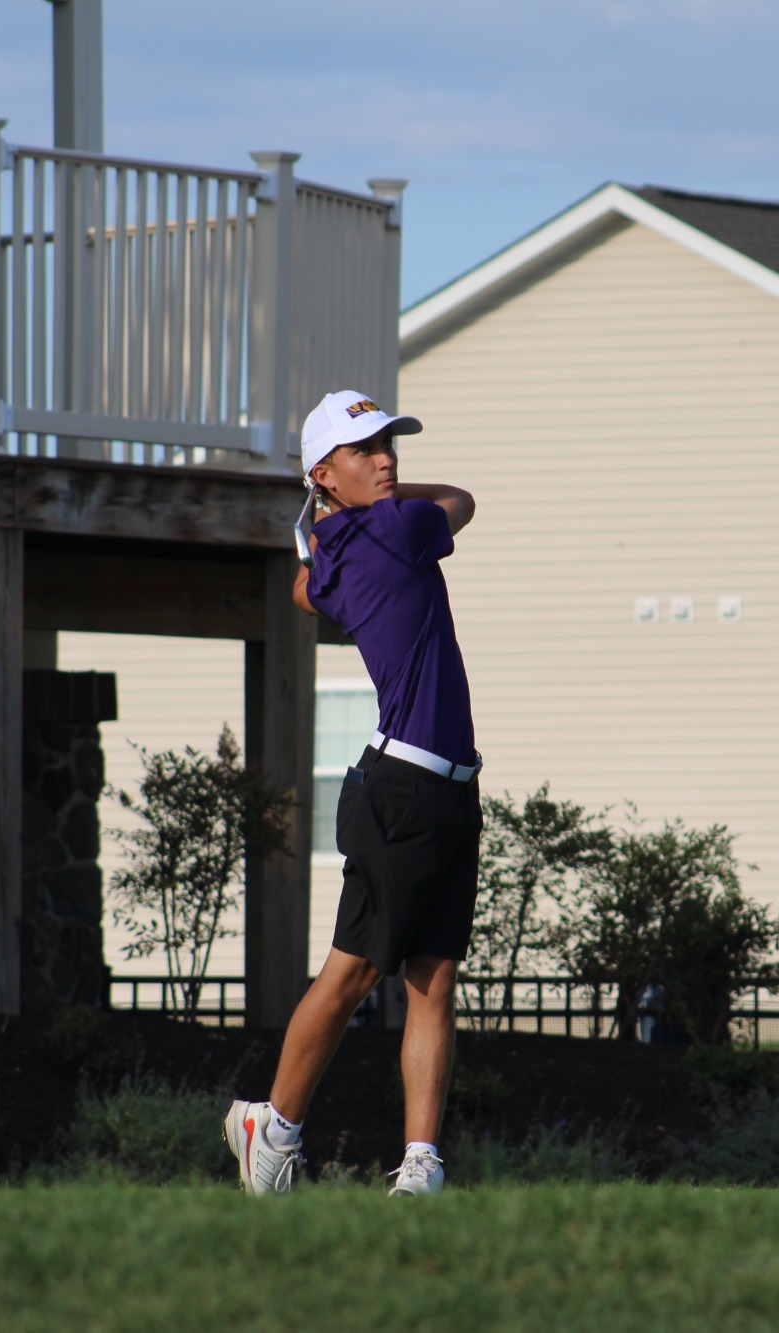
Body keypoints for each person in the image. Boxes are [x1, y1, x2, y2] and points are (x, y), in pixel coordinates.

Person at [224, 389, 480, 1199]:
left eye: (388, 444)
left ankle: (420, 1165)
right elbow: (463, 500)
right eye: (365, 449)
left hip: (447, 785)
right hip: (404, 787)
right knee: (354, 974)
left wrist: (331, 512)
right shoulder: (398, 527)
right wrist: (375, 500)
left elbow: (306, 592)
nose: (386, 459)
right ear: (324, 473)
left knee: (433, 978)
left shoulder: (334, 551)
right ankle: (274, 1127)